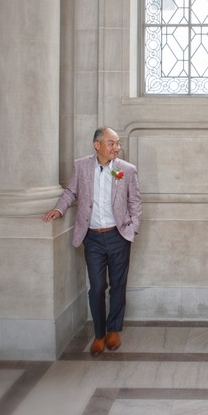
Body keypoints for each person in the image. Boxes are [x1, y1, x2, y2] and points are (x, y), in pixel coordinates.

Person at [43, 127, 142, 356]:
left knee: (118, 285)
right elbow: (71, 191)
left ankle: (113, 329)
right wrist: (59, 208)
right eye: (111, 143)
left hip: (119, 235)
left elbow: (135, 201)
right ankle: (99, 333)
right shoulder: (82, 166)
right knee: (97, 287)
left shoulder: (126, 170)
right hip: (92, 237)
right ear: (97, 145)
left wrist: (133, 229)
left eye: (117, 143)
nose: (117, 147)